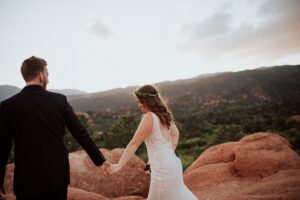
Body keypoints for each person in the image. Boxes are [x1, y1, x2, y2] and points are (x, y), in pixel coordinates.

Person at [0, 56, 111, 200]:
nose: (48, 78)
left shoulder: (8, 105)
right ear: (41, 76)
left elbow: (2, 146)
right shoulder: (59, 100)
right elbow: (80, 133)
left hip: (27, 181)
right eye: (47, 74)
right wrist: (100, 161)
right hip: (56, 177)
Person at [106, 85, 198, 200]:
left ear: (146, 101)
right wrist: (165, 155)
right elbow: (175, 136)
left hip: (162, 170)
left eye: (139, 102)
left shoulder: (149, 117)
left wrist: (118, 166)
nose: (139, 105)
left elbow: (135, 143)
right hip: (174, 165)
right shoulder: (165, 116)